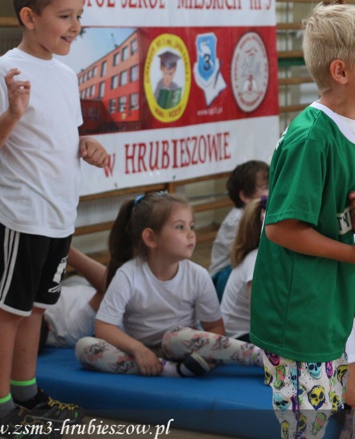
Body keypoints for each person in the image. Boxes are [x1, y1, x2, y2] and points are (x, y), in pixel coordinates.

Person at [0, 0, 109, 434]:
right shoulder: (5, 70)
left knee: (35, 309)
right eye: (65, 16)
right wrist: (11, 114)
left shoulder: (65, 75)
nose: (76, 26)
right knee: (8, 311)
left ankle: (26, 392)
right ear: (29, 17)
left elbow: (61, 137)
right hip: (22, 214)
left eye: (79, 16)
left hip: (57, 215)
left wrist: (86, 146)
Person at [249, 3, 355, 439]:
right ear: (341, 71)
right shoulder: (312, 136)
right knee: (304, 427)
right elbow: (281, 228)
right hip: (298, 312)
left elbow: (333, 214)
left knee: (319, 419)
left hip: (327, 305)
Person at [75, 192, 262, 376]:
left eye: (192, 226)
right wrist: (138, 349)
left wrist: (211, 353)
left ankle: (260, 356)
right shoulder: (128, 274)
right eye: (180, 227)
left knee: (173, 337)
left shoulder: (198, 275)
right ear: (151, 238)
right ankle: (172, 370)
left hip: (183, 347)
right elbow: (104, 327)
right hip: (144, 352)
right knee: (85, 347)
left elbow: (214, 327)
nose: (191, 234)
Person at [208, 160, 269, 299]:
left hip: (238, 269)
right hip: (221, 278)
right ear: (245, 196)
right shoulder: (237, 220)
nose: (272, 190)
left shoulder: (259, 214)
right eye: (266, 187)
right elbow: (244, 256)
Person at [40, 247, 108, 349]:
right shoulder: (70, 330)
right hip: (93, 292)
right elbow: (109, 286)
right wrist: (63, 248)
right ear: (49, 327)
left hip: (70, 285)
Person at [219, 195, 265, 341]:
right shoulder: (256, 259)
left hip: (249, 332)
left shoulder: (258, 256)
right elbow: (259, 315)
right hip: (238, 337)